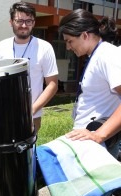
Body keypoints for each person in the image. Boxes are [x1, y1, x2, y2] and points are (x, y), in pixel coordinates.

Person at [59, 9, 121, 158]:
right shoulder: (96, 56)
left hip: (99, 146)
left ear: (85, 35)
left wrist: (99, 135)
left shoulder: (107, 55)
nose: (68, 47)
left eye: (69, 41)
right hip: (87, 141)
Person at [0, 1, 58, 133]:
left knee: (28, 153)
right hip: (4, 114)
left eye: (29, 21)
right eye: (19, 20)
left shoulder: (44, 48)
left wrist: (31, 110)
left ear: (34, 23)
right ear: (11, 22)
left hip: (32, 116)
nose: (24, 25)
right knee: (5, 152)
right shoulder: (0, 47)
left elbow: (52, 85)